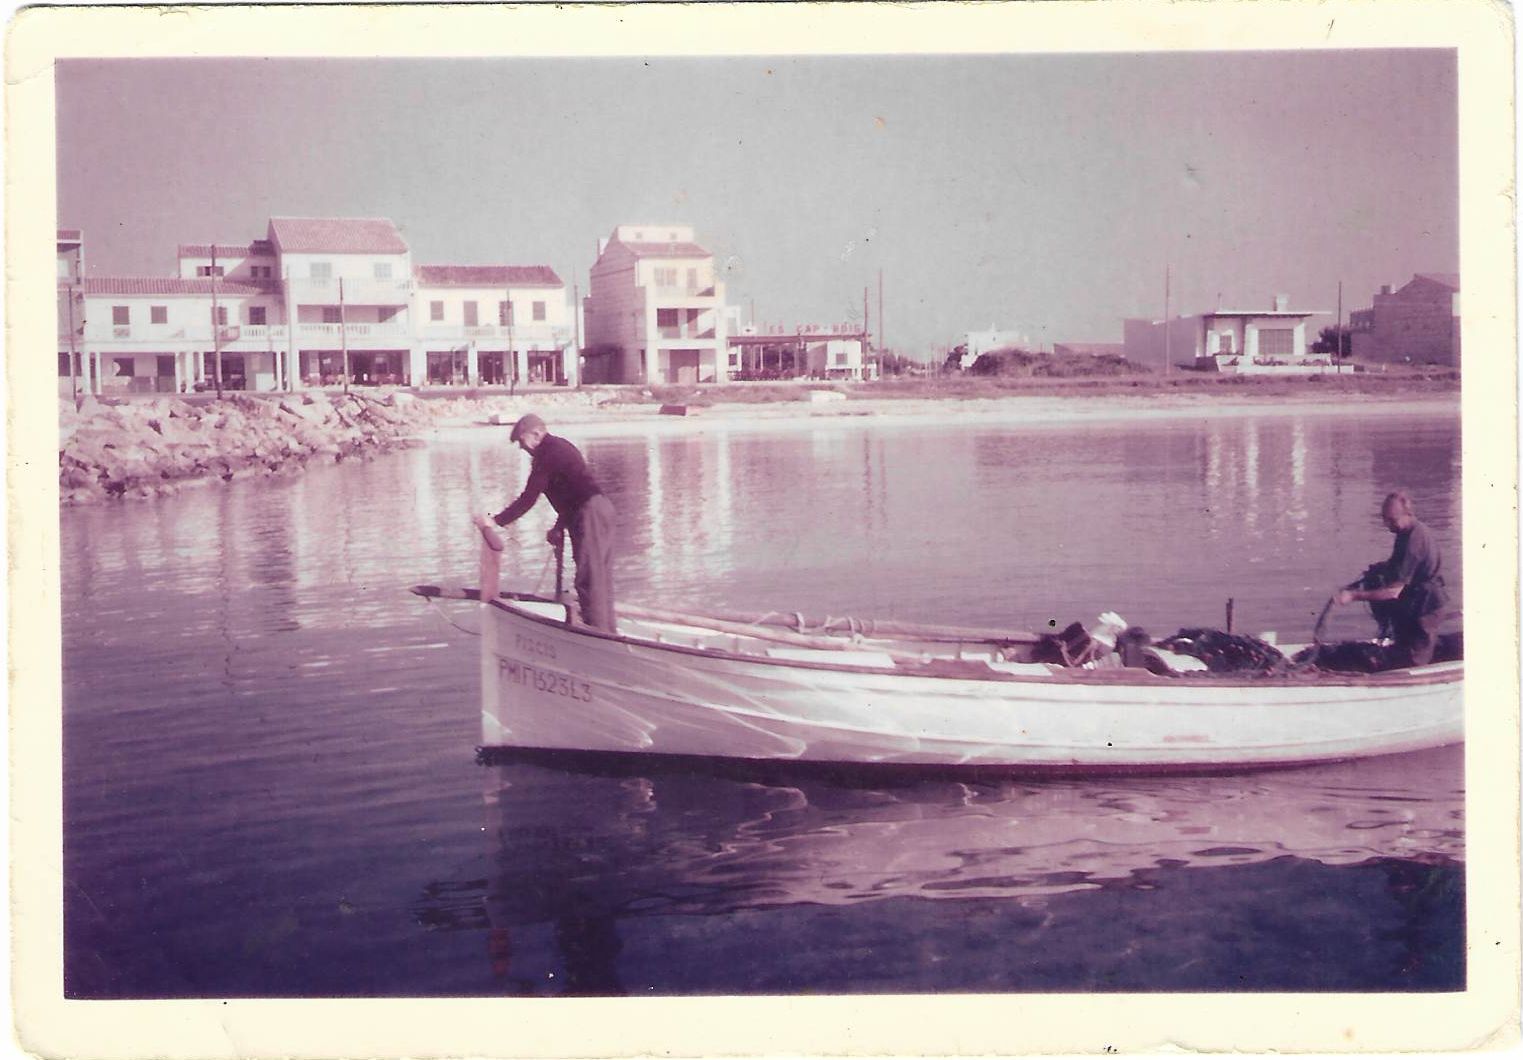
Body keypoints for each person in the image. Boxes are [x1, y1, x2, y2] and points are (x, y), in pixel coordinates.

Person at [482, 413, 617, 631]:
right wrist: (558, 527)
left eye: (522, 441)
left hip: (590, 512)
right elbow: (571, 492)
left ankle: (598, 634)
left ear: (536, 434)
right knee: (599, 577)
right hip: (599, 510)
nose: (521, 448)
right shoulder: (559, 447)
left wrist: (495, 521)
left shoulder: (547, 454)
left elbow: (529, 498)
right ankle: (606, 629)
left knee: (590, 578)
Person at [1333, 491, 1448, 666]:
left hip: (1427, 608)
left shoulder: (1415, 541)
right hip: (1414, 603)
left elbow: (1393, 592)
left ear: (1408, 514)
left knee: (1412, 662)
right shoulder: (1405, 532)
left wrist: (1353, 596)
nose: (1388, 524)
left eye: (1392, 520)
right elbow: (1399, 566)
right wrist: (1381, 569)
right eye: (1385, 519)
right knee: (1400, 647)